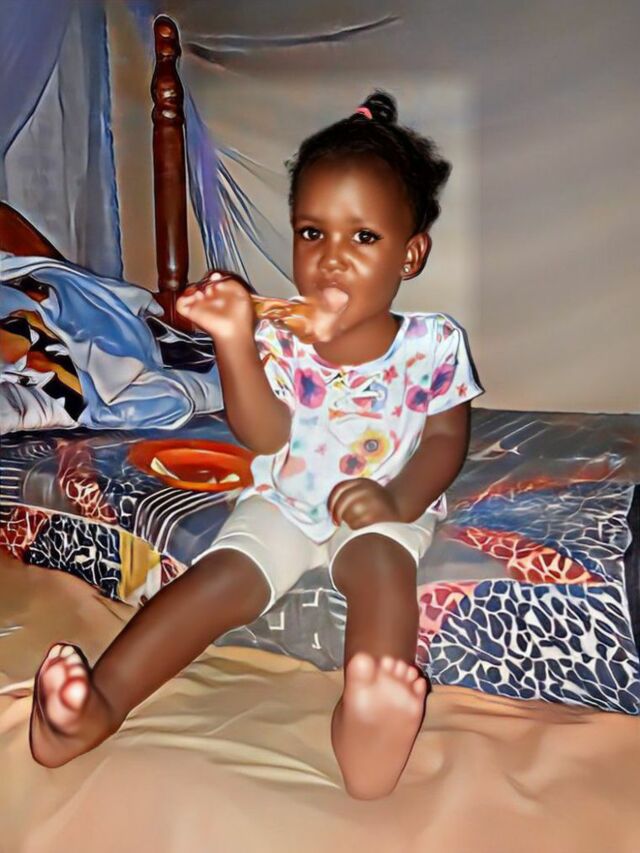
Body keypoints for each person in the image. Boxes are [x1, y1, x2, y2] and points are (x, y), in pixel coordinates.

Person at [29, 90, 483, 799]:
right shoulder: (279, 338)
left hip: (383, 501)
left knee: (381, 572)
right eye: (312, 233)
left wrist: (395, 499)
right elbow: (265, 433)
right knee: (218, 579)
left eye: (363, 238)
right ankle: (94, 709)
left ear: (411, 253)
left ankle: (365, 732)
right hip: (283, 499)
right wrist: (235, 340)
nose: (332, 260)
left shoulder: (433, 345)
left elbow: (446, 439)